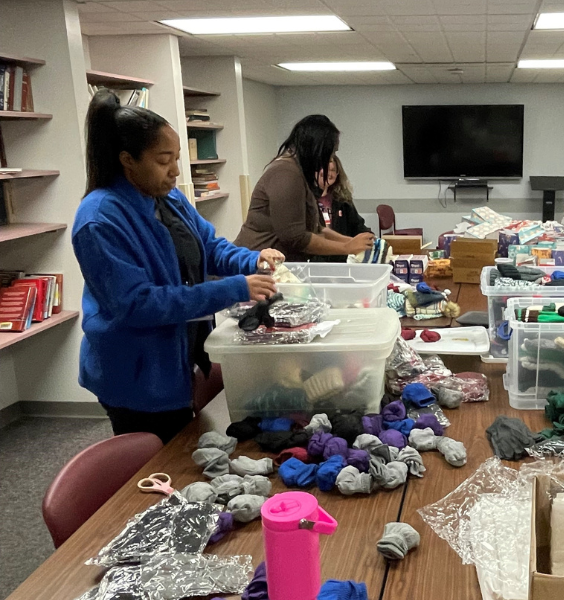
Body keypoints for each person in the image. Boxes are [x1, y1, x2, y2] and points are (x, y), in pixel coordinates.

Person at [73, 90, 282, 444]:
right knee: (158, 459)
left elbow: (207, 247)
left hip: (177, 358)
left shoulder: (168, 197)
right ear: (128, 160)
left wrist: (253, 260)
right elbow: (138, 304)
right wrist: (233, 288)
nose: (175, 171)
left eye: (177, 159)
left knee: (187, 443)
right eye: (163, 160)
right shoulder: (99, 220)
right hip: (136, 374)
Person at [235, 115, 374, 262]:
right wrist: (346, 248)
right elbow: (295, 238)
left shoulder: (299, 173)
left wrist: (351, 242)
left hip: (276, 264)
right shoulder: (286, 173)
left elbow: (317, 229)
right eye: (331, 152)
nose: (331, 157)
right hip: (256, 263)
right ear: (318, 149)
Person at [314, 154, 371, 263]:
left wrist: (370, 239)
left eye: (333, 170)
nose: (329, 174)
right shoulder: (306, 199)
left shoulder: (343, 200)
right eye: (325, 169)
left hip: (340, 260)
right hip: (315, 261)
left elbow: (357, 226)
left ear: (337, 174)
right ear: (315, 171)